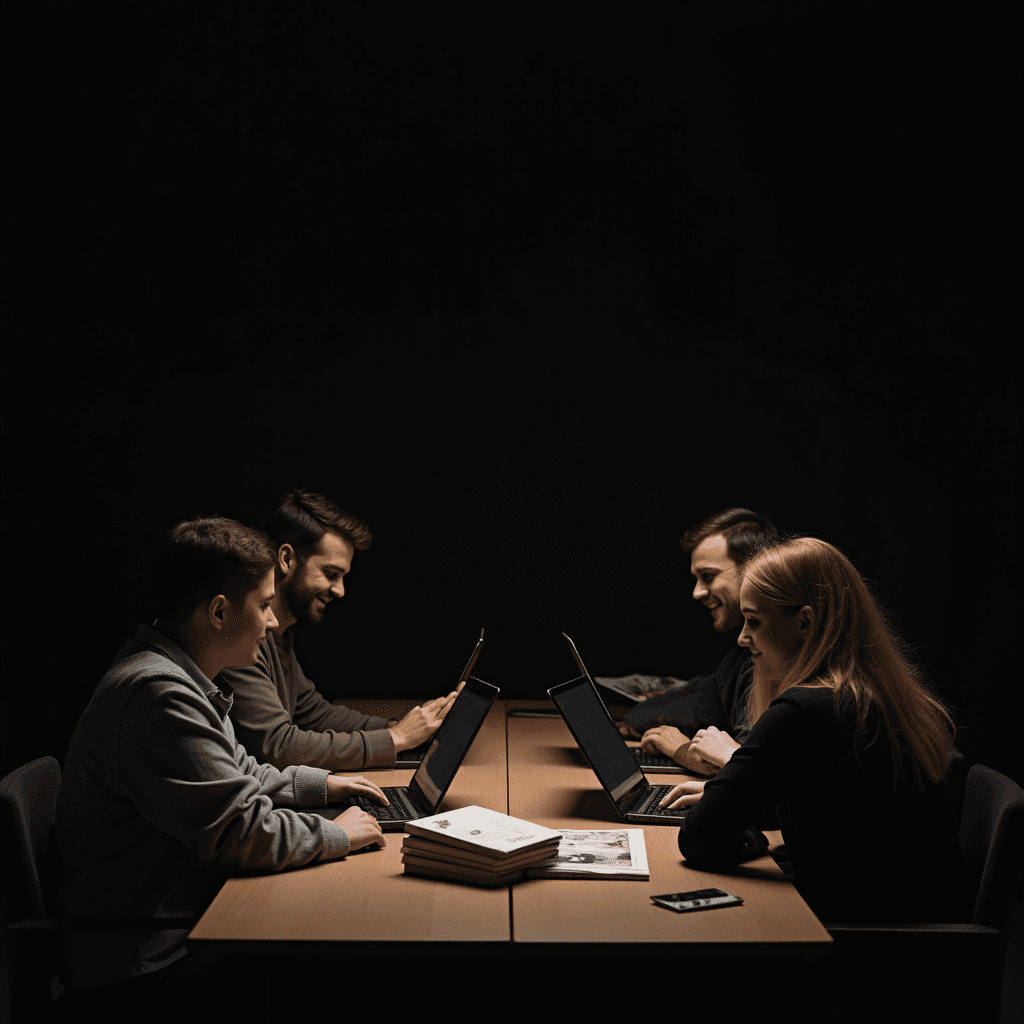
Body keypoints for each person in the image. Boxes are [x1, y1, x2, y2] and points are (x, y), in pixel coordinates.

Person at [53, 517, 389, 1013]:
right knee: (332, 976)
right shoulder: (158, 695)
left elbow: (241, 772)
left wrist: (326, 784)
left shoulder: (180, 676)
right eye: (263, 606)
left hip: (172, 928)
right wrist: (339, 835)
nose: (274, 623)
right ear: (217, 611)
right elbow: (243, 834)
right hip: (141, 961)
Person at [665, 537, 968, 924]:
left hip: (868, 944)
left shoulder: (804, 711)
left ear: (805, 622)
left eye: (754, 621)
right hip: (921, 932)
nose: (743, 638)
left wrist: (740, 816)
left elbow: (699, 839)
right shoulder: (879, 695)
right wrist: (738, 798)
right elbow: (833, 805)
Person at [221, 490, 461, 771]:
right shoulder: (242, 637)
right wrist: (395, 738)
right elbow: (279, 746)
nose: (340, 591)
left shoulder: (279, 636)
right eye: (331, 574)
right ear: (286, 559)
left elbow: (315, 713)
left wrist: (408, 728)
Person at [615, 507, 778, 776]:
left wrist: (680, 750)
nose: (697, 592)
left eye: (709, 576)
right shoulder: (740, 656)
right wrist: (640, 721)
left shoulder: (770, 658)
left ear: (756, 570)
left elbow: (749, 771)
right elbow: (694, 700)